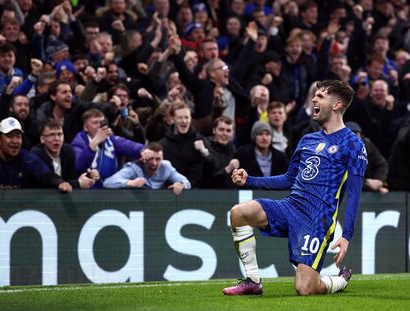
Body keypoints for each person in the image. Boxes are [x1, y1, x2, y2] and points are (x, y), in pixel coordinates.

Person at [222, 80, 367, 296]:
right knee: (239, 213)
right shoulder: (307, 139)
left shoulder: (353, 144)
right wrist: (249, 180)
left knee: (305, 288)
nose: (314, 99)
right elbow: (290, 179)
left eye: (321, 96)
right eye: (314, 95)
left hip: (317, 219)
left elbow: (354, 194)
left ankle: (339, 281)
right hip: (290, 206)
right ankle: (253, 281)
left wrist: (346, 235)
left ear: (337, 105)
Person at [0, 117, 72, 192]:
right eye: (10, 136)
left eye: (18, 136)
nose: (15, 141)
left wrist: (61, 183)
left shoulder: (26, 158)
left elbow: (45, 173)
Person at [30, 119, 98, 189]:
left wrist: (87, 176)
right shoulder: (36, 155)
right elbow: (47, 183)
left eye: (59, 134)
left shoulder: (68, 151)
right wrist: (77, 183)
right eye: (51, 135)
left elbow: (73, 177)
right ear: (42, 139)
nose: (56, 139)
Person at [103, 142, 190, 195]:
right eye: (150, 158)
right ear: (144, 158)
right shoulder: (133, 168)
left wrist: (181, 184)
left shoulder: (166, 167)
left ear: (162, 158)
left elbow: (186, 182)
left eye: (158, 159)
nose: (154, 163)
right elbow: (107, 183)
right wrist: (130, 182)